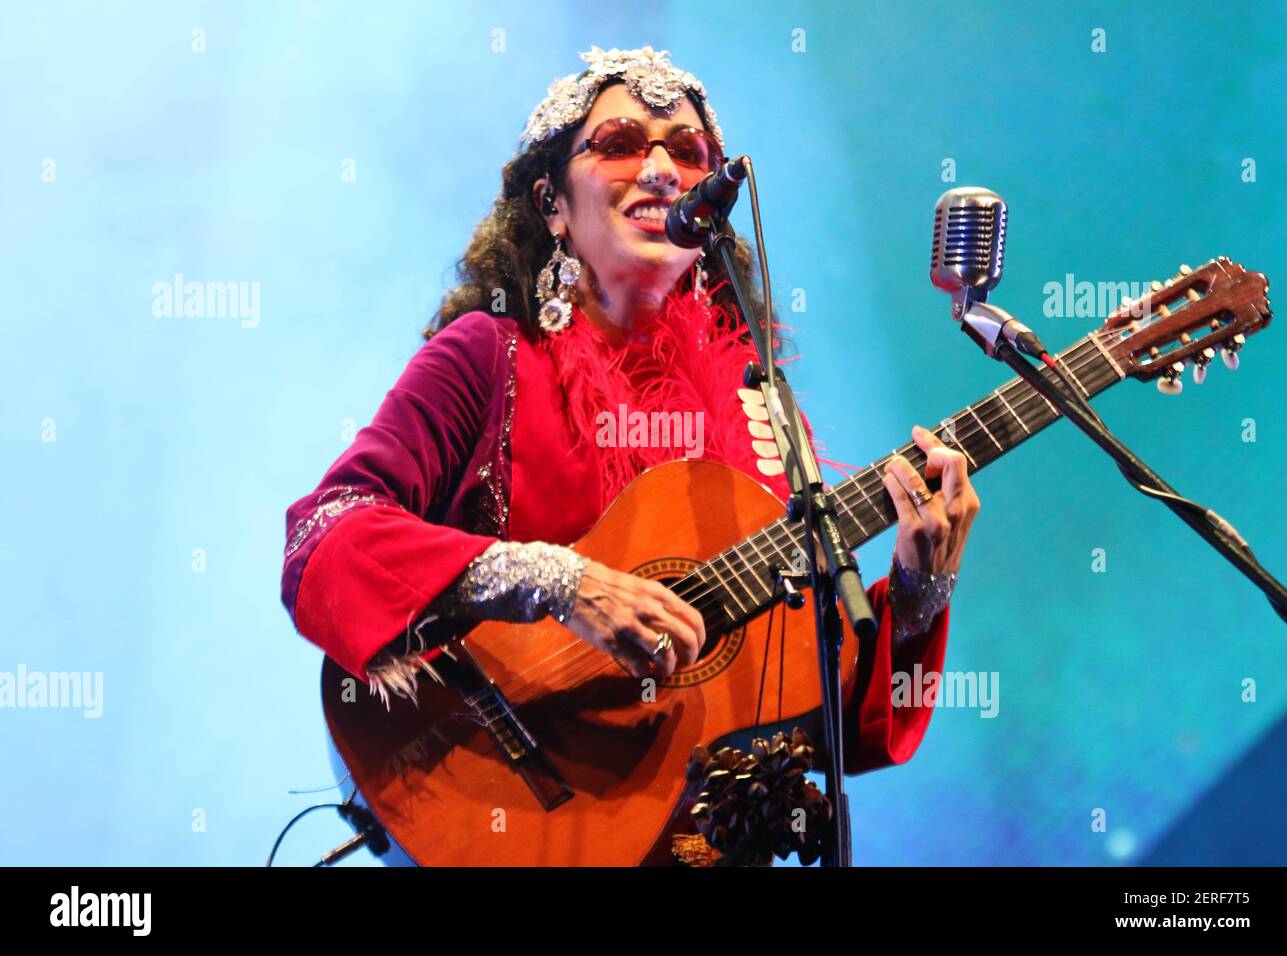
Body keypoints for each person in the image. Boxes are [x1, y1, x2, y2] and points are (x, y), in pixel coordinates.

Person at [280, 45, 979, 783]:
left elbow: (823, 718)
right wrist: (558, 582)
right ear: (551, 203)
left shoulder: (763, 410)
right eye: (617, 146)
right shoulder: (488, 357)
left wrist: (918, 594)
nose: (658, 171)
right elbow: (327, 535)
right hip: (514, 807)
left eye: (687, 151)